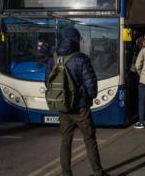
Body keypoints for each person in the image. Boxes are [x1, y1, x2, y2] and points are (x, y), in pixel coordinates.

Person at [46, 26, 109, 176]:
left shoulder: (53, 59)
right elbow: (91, 84)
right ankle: (98, 172)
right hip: (81, 108)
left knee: (66, 140)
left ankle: (66, 173)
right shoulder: (81, 59)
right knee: (89, 139)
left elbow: (47, 82)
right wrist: (90, 97)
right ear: (75, 40)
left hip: (63, 107)